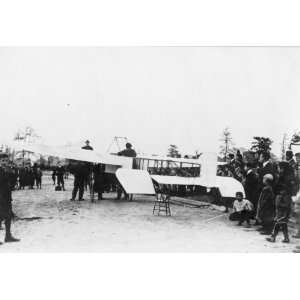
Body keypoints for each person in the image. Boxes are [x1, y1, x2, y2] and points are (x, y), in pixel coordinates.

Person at [0, 153, 20, 244]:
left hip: (7, 196)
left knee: (8, 217)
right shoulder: (2, 171)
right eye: (2, 160)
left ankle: (8, 236)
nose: (4, 162)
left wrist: (13, 172)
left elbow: (12, 183)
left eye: (6, 161)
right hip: (0, 197)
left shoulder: (8, 170)